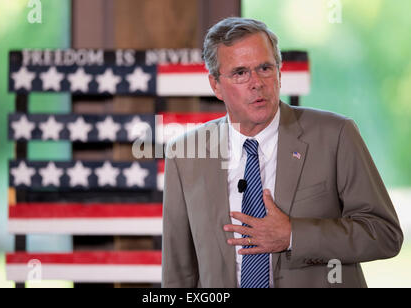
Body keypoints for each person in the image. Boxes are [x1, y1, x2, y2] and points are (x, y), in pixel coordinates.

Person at [161, 17, 402, 288]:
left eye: (264, 68)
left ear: (279, 72)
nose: (256, 83)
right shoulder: (185, 155)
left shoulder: (336, 135)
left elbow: (385, 234)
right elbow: (178, 272)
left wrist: (293, 236)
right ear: (216, 85)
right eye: (240, 73)